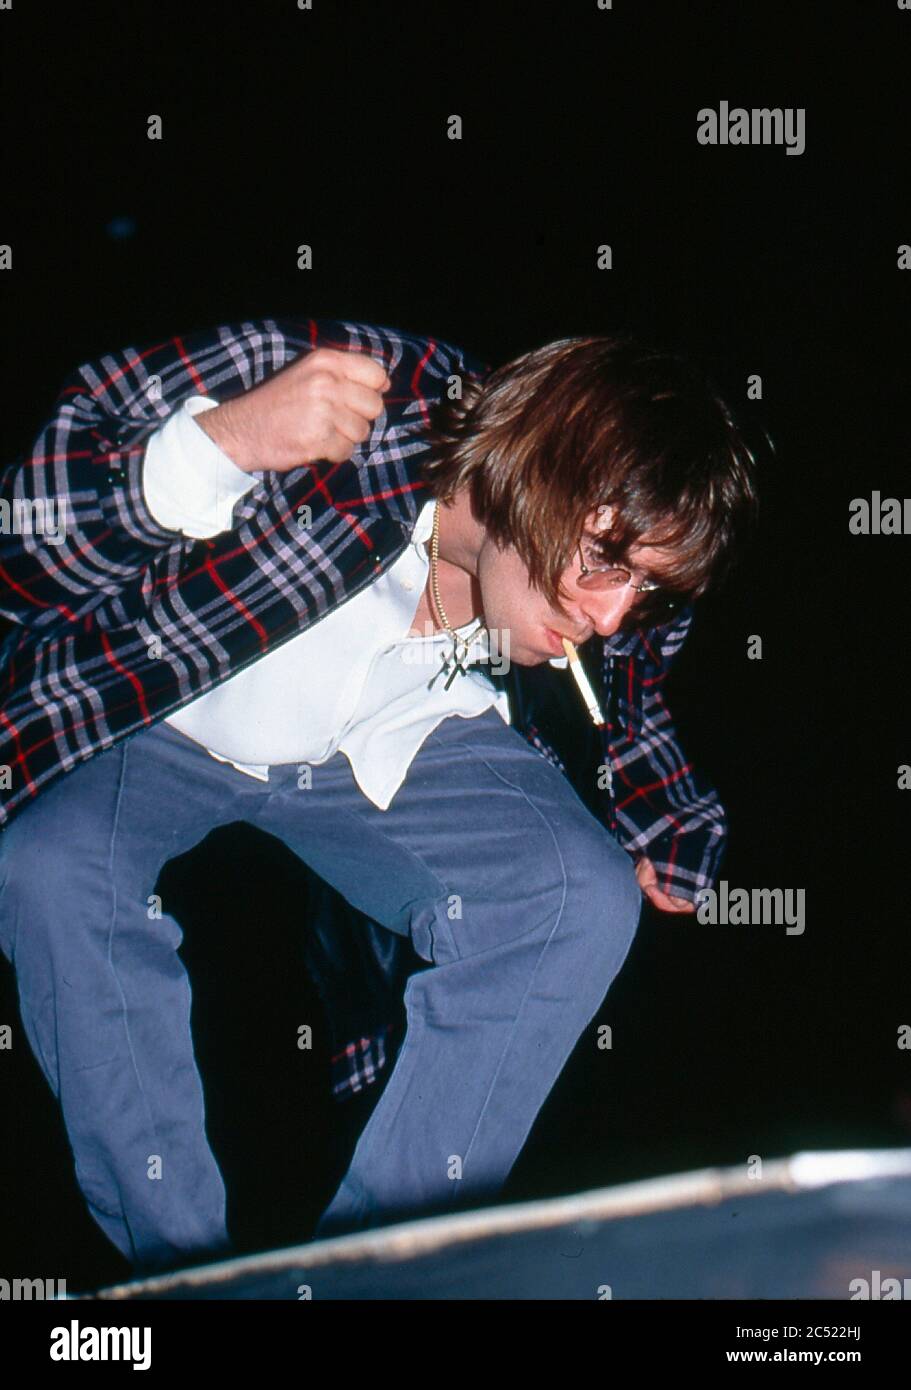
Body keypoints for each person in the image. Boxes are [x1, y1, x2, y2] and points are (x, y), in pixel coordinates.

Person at [0, 316, 759, 1274]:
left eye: (642, 588)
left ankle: (378, 1273)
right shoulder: (349, 391)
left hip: (403, 737)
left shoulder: (609, 598)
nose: (607, 617)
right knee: (53, 867)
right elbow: (22, 555)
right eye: (605, 564)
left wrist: (666, 817)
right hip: (166, 716)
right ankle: (179, 1272)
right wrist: (217, 446)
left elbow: (636, 679)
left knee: (577, 896)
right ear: (534, 467)